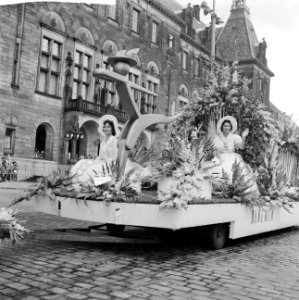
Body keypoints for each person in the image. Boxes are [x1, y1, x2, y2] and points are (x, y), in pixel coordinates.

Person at [213, 116, 259, 198]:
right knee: (219, 167)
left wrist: (243, 137)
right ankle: (221, 191)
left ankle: (236, 190)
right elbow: (215, 150)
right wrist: (220, 158)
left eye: (228, 126)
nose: (226, 127)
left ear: (231, 127)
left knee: (236, 169)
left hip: (232, 156)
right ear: (222, 127)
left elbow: (241, 147)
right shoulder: (217, 138)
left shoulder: (234, 137)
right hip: (220, 156)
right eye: (225, 126)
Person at [70, 118, 119, 186]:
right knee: (82, 161)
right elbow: (100, 156)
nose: (106, 128)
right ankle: (75, 180)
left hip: (110, 164)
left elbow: (115, 156)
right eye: (104, 127)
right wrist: (95, 160)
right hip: (101, 161)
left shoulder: (114, 140)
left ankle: (89, 182)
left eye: (108, 127)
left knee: (92, 168)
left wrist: (107, 161)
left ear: (112, 128)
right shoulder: (103, 141)